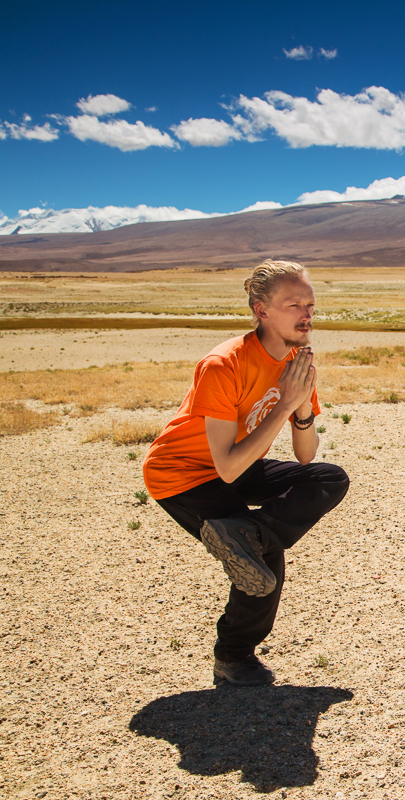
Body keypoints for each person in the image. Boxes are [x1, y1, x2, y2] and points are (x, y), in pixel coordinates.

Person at [142, 260, 349, 687]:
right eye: (294, 305)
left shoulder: (296, 363)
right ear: (261, 310)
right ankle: (233, 659)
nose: (307, 315)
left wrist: (302, 404)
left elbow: (306, 457)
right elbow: (228, 466)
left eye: (310, 305)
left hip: (238, 463)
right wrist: (283, 403)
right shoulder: (224, 364)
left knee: (328, 478)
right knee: (264, 561)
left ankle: (248, 535)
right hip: (183, 474)